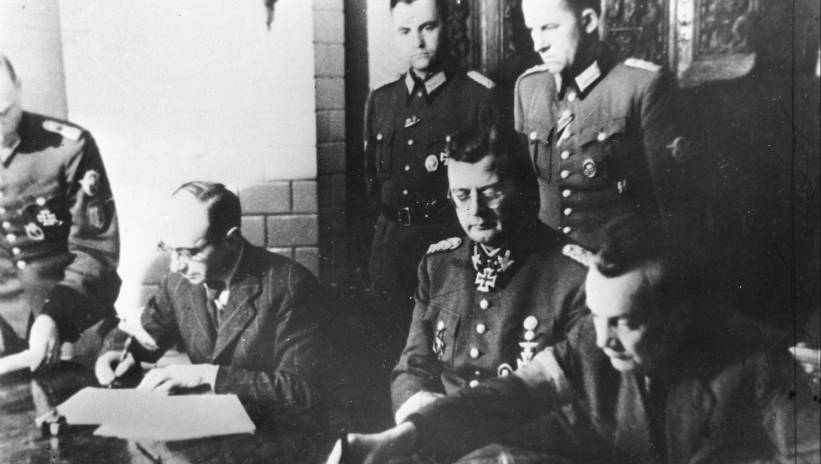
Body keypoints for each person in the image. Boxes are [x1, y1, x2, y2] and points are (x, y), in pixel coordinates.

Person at [331, 213, 820, 464]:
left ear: (681, 316)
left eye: (624, 322)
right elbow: (509, 396)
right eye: (597, 317)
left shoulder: (760, 365)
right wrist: (400, 438)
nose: (603, 339)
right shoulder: (593, 340)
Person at [391, 125, 588, 435]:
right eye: (462, 195)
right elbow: (412, 368)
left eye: (490, 193)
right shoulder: (438, 266)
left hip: (525, 445)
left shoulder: (574, 277)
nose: (475, 210)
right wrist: (425, 428)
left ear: (523, 187)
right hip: (443, 438)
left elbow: (579, 406)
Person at [95, 182, 325, 416]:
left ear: (231, 241)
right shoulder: (179, 283)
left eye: (190, 252)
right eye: (169, 249)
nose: (176, 265)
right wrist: (118, 355)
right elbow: (147, 329)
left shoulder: (291, 286)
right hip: (208, 424)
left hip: (271, 429)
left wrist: (209, 375)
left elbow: (302, 389)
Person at [514, 0, 709, 249]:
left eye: (549, 27)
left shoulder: (642, 87)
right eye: (532, 29)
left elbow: (676, 207)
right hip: (546, 261)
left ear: (588, 21)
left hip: (622, 260)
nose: (538, 44)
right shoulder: (528, 87)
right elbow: (524, 187)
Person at [364, 0, 497, 333]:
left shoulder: (477, 97)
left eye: (427, 27)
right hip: (390, 254)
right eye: (405, 31)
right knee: (387, 343)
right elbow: (371, 183)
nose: (418, 41)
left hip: (450, 248)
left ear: (445, 26)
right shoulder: (381, 100)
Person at [0, 53, 120, 369]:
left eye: (5, 111)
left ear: (19, 87)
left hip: (75, 324)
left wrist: (55, 315)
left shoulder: (68, 148)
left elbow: (96, 250)